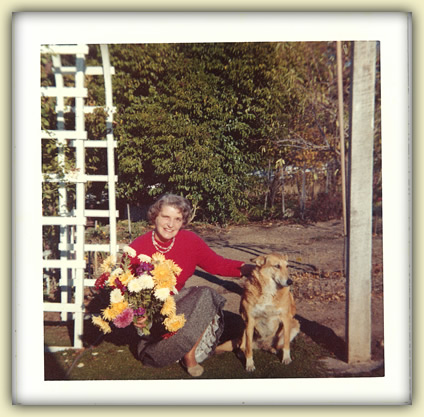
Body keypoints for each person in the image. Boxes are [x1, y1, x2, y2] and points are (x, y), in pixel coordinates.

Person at [129, 193, 248, 377]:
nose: (171, 224)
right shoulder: (139, 246)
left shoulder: (190, 241)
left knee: (206, 295)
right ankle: (164, 348)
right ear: (155, 217)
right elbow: (122, 285)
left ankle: (189, 354)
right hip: (150, 312)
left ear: (183, 222)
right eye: (166, 217)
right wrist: (136, 313)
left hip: (177, 300)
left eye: (177, 219)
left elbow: (217, 264)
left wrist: (247, 268)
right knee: (156, 356)